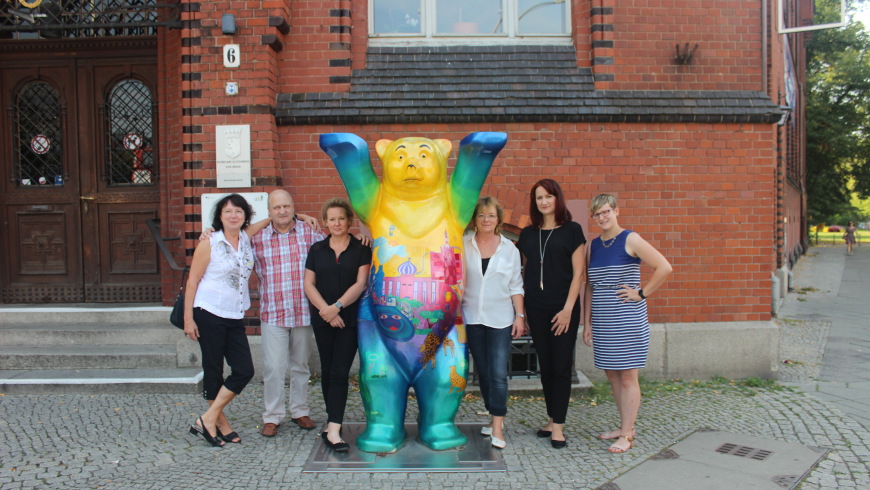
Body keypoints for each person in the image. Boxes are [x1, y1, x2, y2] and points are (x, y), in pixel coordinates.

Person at [582, 194, 672, 454]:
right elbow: (589, 285)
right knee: (612, 375)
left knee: (628, 376)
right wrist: (587, 322)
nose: (602, 218)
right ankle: (624, 428)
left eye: (606, 212)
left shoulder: (630, 239)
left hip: (627, 319)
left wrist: (641, 293)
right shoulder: (593, 246)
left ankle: (628, 435)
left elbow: (664, 267)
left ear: (616, 211)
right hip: (603, 319)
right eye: (596, 214)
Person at [184, 193, 259, 447]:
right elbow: (192, 280)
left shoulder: (246, 237)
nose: (233, 216)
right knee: (214, 370)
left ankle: (208, 418)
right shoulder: (210, 242)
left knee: (244, 370)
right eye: (228, 211)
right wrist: (188, 319)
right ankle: (220, 424)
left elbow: (271, 220)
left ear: (245, 216)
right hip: (208, 313)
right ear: (220, 216)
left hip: (234, 315)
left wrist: (299, 216)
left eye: (238, 211)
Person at [516, 179, 586, 449]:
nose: (543, 202)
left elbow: (579, 273)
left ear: (558, 198)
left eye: (548, 196)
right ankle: (552, 418)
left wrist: (568, 310)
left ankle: (559, 427)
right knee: (545, 366)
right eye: (538, 198)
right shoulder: (528, 233)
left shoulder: (572, 230)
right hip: (537, 307)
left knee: (560, 366)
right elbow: (523, 270)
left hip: (563, 308)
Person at [252, 190, 325, 436]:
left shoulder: (310, 232)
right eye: (276, 208)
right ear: (269, 211)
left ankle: (300, 411)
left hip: (304, 311)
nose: (282, 211)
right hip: (273, 311)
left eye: (286, 206)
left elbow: (332, 248)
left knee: (301, 365)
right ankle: (272, 416)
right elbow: (235, 238)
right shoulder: (258, 238)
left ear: (293, 207)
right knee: (273, 367)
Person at [303, 198, 372, 452]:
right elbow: (309, 284)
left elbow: (360, 283)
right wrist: (326, 310)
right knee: (328, 369)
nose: (337, 223)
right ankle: (333, 420)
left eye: (341, 218)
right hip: (323, 319)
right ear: (325, 222)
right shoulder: (317, 249)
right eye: (331, 219)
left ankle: (333, 429)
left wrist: (337, 307)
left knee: (340, 372)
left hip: (350, 320)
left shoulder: (361, 248)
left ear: (349, 221)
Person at [461, 196, 525, 450]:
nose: (486, 220)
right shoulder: (464, 245)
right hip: (472, 318)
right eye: (481, 215)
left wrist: (520, 316)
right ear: (474, 220)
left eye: (491, 215)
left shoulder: (510, 249)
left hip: (500, 319)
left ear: (498, 219)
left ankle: (498, 425)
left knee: (498, 374)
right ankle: (492, 412)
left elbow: (516, 285)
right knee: (484, 373)